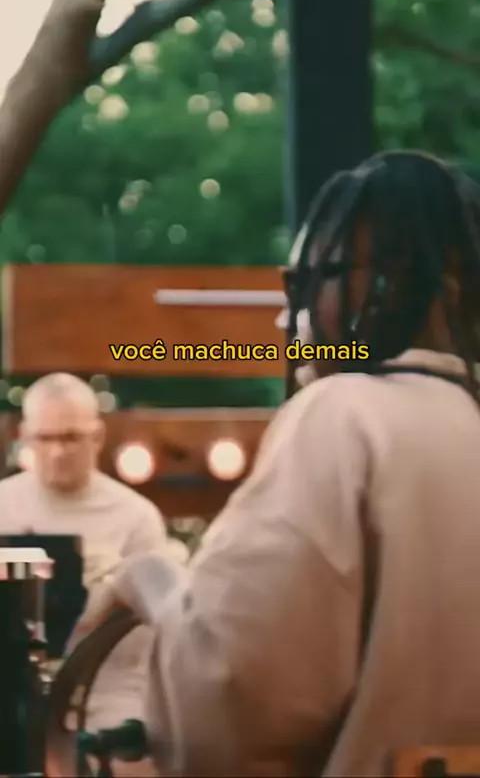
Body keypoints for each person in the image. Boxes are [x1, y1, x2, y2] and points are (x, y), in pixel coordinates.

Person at [68, 151, 480, 777]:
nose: (290, 316)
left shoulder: (344, 416)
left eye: (310, 280)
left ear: (392, 282)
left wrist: (149, 580)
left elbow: (231, 706)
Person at [0, 372, 170, 733]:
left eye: (71, 438)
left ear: (97, 437)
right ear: (25, 436)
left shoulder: (135, 518)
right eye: (46, 438)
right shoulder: (3, 507)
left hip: (103, 690)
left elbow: (152, 631)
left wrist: (108, 591)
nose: (58, 452)